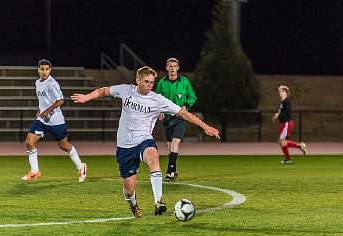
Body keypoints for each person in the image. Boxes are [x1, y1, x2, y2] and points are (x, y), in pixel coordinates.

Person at [71, 66, 220, 218]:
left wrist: (205, 126)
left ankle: (158, 202)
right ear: (137, 80)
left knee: (153, 158)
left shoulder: (157, 99)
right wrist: (86, 97)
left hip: (144, 140)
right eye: (146, 81)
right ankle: (133, 205)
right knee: (129, 190)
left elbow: (182, 113)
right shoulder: (126, 90)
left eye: (152, 82)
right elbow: (104, 90)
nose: (149, 85)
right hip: (124, 147)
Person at [21, 59, 87, 182]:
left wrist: (46, 111)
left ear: (50, 70)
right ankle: (35, 171)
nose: (44, 71)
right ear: (38, 70)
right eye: (42, 69)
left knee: (64, 146)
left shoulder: (52, 83)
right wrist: (40, 111)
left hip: (56, 121)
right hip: (42, 120)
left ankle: (81, 166)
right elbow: (43, 101)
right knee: (29, 142)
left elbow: (61, 100)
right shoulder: (38, 83)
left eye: (47, 69)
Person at [155, 58, 197, 182]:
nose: (172, 68)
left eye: (175, 66)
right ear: (167, 68)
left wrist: (185, 105)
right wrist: (160, 111)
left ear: (178, 68)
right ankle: (174, 170)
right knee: (170, 147)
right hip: (167, 118)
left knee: (175, 143)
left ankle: (170, 172)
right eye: (170, 66)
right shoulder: (162, 83)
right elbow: (157, 99)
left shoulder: (184, 82)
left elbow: (192, 97)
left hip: (180, 117)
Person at [272, 85, 307, 164]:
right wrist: (277, 115)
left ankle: (288, 159)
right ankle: (299, 146)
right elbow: (282, 112)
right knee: (281, 142)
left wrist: (279, 115)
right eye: (279, 91)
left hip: (286, 123)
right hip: (283, 124)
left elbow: (287, 114)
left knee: (282, 141)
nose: (279, 93)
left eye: (280, 91)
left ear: (285, 92)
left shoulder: (287, 102)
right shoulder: (283, 102)